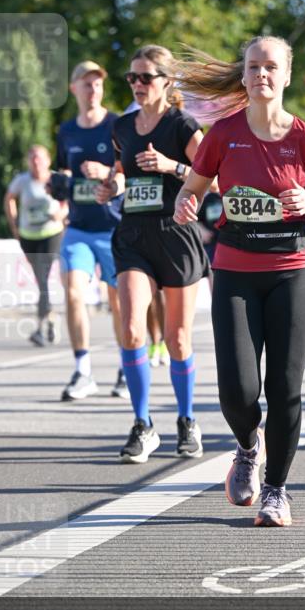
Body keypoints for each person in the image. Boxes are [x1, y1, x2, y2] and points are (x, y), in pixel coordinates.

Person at [174, 35, 305, 527]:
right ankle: (248, 447)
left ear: (286, 75)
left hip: (292, 270)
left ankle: (276, 490)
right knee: (237, 390)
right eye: (253, 67)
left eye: (271, 67)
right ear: (244, 76)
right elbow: (193, 188)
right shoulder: (223, 134)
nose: (261, 74)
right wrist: (186, 202)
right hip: (234, 271)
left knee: (285, 386)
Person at [96, 45, 209, 463]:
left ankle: (186, 419)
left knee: (178, 339)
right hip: (133, 236)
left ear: (166, 81)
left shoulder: (182, 126)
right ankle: (142, 423)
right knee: (130, 328)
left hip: (176, 234)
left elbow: (212, 179)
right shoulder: (122, 127)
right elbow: (120, 176)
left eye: (146, 77)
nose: (138, 85)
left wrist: (172, 167)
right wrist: (109, 188)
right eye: (132, 78)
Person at [53, 61, 128, 400]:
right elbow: (62, 172)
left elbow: (131, 171)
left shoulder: (117, 125)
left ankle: (127, 367)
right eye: (86, 83)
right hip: (79, 227)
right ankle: (82, 370)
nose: (93, 89)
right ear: (74, 89)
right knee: (72, 292)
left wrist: (106, 172)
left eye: (98, 83)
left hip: (113, 225)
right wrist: (59, 185)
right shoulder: (66, 130)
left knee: (118, 300)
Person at [5, 144, 68, 347]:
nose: (36, 161)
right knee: (40, 279)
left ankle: (40, 328)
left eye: (39, 157)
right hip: (28, 235)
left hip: (51, 233)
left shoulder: (55, 178)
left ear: (48, 160)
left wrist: (61, 213)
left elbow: (68, 200)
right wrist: (14, 224)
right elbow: (9, 198)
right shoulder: (22, 180)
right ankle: (50, 317)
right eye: (32, 157)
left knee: (42, 278)